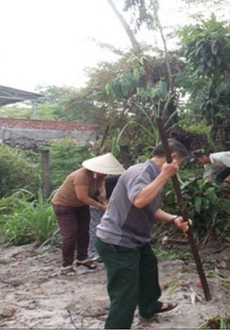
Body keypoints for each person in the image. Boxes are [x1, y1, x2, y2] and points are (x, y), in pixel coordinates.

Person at [95, 139, 191, 329]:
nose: (178, 167)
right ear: (172, 157)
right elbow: (139, 200)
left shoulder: (153, 175)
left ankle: (149, 306)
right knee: (125, 293)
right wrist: (164, 175)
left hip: (135, 239)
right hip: (118, 241)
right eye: (179, 162)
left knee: (148, 268)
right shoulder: (142, 172)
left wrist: (173, 218)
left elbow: (150, 208)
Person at [51, 153, 125, 277]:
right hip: (64, 206)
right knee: (70, 234)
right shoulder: (82, 176)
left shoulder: (99, 176)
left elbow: (101, 186)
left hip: (80, 206)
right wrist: (101, 206)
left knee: (84, 231)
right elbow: (82, 197)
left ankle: (82, 258)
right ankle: (66, 265)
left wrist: (103, 194)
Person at [88, 174, 120, 261]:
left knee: (104, 226)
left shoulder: (121, 179)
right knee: (95, 226)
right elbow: (100, 196)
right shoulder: (123, 181)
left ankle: (104, 250)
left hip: (102, 202)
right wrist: (103, 206)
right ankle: (93, 252)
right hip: (93, 202)